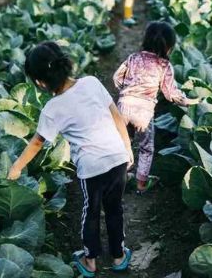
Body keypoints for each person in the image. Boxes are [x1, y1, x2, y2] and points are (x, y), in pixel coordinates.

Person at [8, 42, 134, 276]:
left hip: (92, 168)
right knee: (115, 209)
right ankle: (118, 257)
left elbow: (37, 143)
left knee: (91, 212)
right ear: (65, 64)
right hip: (117, 158)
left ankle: (90, 261)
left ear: (40, 83)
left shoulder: (52, 108)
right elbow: (116, 115)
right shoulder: (91, 82)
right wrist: (127, 148)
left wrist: (16, 167)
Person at [112, 20, 198, 193]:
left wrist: (126, 91)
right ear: (169, 47)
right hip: (144, 112)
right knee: (146, 147)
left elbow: (116, 77)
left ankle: (120, 178)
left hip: (123, 106)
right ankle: (141, 183)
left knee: (123, 143)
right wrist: (190, 101)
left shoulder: (133, 58)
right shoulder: (164, 66)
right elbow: (171, 94)